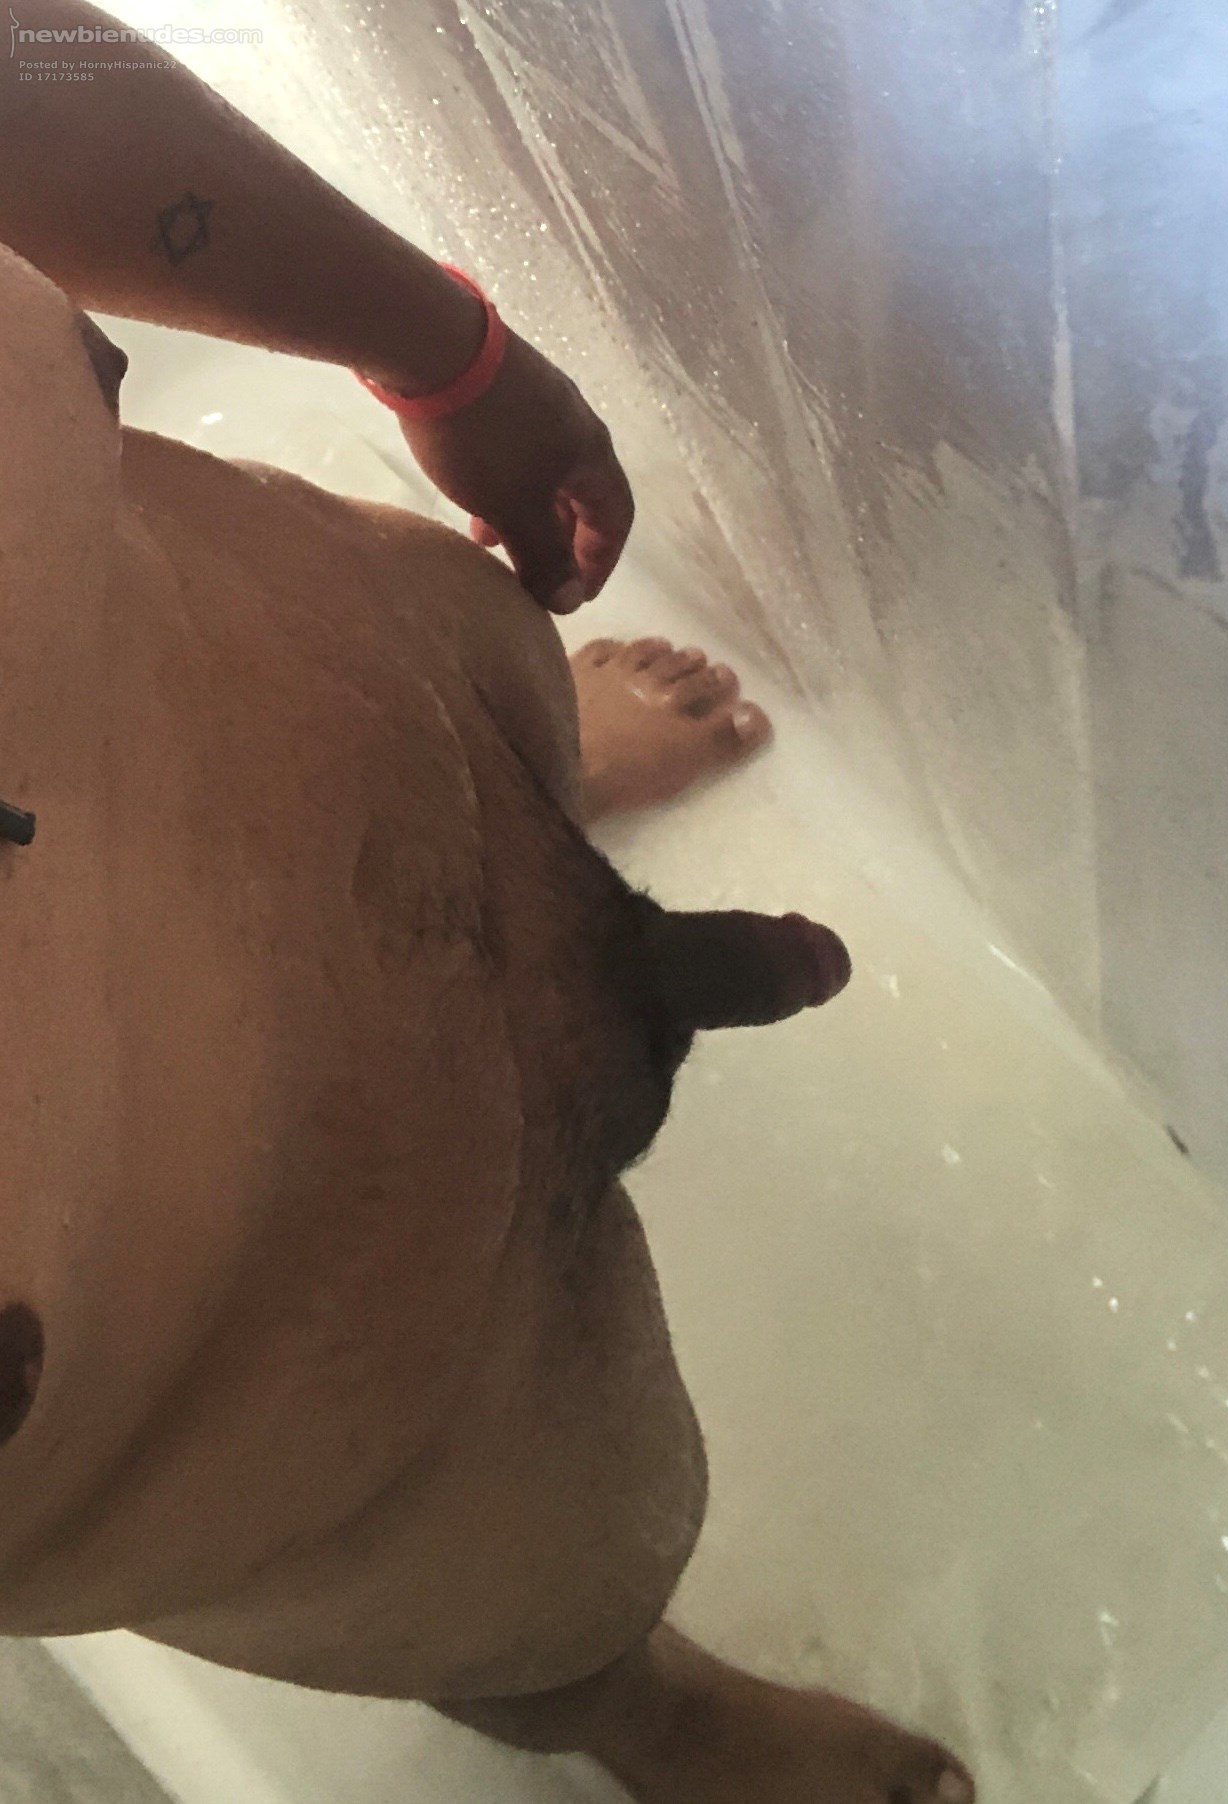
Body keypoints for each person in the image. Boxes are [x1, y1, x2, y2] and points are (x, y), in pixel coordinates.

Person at [0, 8, 974, 1801]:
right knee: (539, 1616)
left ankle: (542, 775)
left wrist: (445, 353)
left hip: (368, 695)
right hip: (346, 1452)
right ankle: (640, 1709)